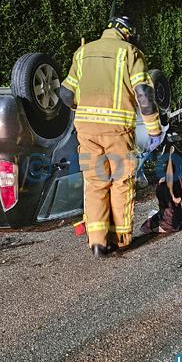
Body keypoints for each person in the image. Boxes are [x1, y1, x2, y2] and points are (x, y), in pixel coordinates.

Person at [59, 16, 163, 258]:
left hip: (86, 129)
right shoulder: (130, 52)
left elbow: (65, 93)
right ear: (126, 33)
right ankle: (121, 238)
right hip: (118, 130)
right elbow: (144, 95)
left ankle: (97, 242)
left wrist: (83, 109)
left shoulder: (83, 52)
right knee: (120, 182)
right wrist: (154, 129)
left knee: (95, 182)